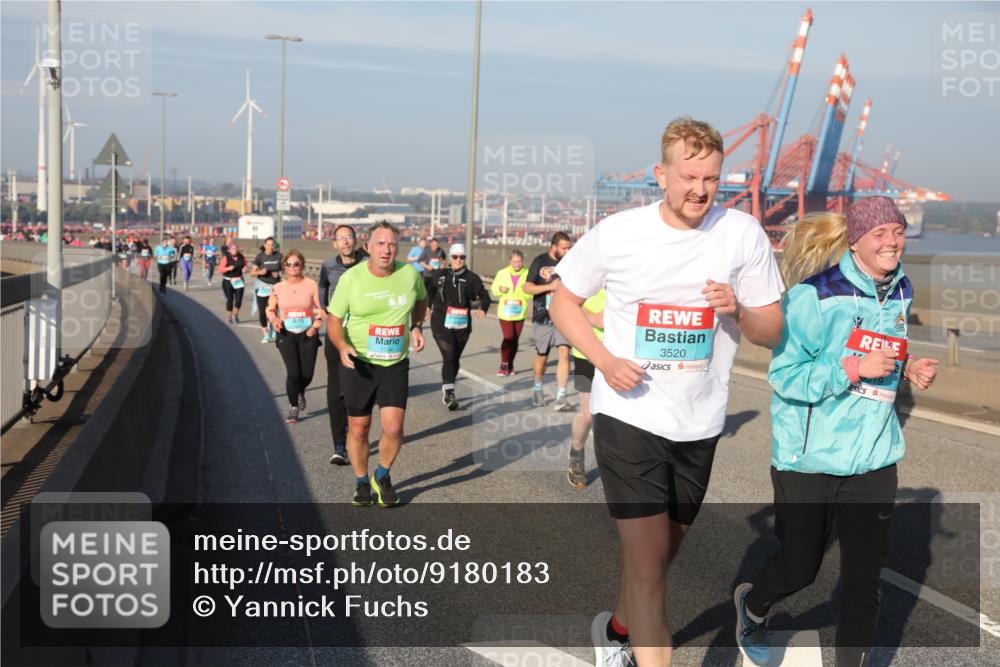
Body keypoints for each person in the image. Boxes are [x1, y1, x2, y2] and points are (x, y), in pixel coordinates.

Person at [549, 116, 785, 667]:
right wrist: (605, 361)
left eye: (712, 179)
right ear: (661, 174)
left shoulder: (742, 233)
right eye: (688, 177)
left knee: (658, 558)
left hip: (699, 422)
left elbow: (773, 330)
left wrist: (739, 309)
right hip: (627, 415)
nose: (700, 190)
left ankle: (616, 631)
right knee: (650, 564)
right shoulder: (619, 233)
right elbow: (563, 301)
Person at [734, 199, 939, 667]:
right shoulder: (813, 296)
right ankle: (753, 606)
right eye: (880, 233)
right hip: (809, 456)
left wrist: (907, 367)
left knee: (863, 581)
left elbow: (882, 345)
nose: (892, 241)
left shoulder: (901, 289)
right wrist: (853, 369)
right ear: (856, 240)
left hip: (873, 456)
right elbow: (785, 376)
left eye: (898, 231)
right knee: (799, 567)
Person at [327, 222, 427, 508]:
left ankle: (381, 476)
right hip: (359, 362)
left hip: (394, 363)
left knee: (393, 427)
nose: (386, 249)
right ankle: (361, 480)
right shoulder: (352, 278)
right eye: (380, 243)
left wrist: (417, 326)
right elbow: (334, 320)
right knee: (359, 428)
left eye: (392, 244)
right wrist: (342, 346)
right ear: (368, 247)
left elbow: (422, 300)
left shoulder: (410, 274)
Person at [318, 224, 369, 465]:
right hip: (337, 333)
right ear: (335, 244)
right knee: (336, 389)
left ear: (356, 241)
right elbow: (322, 287)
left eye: (349, 237)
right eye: (341, 238)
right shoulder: (328, 265)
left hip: (363, 336)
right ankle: (339, 444)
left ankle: (356, 434)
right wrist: (326, 312)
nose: (346, 241)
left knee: (359, 389)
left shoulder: (368, 263)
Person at [430, 243, 490, 410]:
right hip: (441, 321)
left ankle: (449, 386)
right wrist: (427, 306)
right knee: (449, 356)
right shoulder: (440, 275)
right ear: (450, 258)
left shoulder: (472, 278)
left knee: (454, 358)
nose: (458, 260)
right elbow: (430, 290)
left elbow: (485, 296)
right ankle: (449, 392)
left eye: (462, 257)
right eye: (455, 257)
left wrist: (483, 308)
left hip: (462, 325)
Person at [266, 250, 324, 424]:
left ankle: (299, 392)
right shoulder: (278, 287)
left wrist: (315, 327)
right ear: (284, 266)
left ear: (302, 266)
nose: (292, 267)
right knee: (293, 373)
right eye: (288, 264)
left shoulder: (311, 285)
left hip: (308, 333)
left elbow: (321, 310)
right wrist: (274, 320)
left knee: (307, 374)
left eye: (296, 264)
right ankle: (293, 406)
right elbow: (270, 309)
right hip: (286, 334)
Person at [524, 232, 574, 410]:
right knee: (542, 357)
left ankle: (561, 396)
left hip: (564, 317)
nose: (568, 251)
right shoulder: (539, 261)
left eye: (569, 248)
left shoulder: (571, 263)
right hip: (543, 317)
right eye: (564, 248)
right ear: (554, 247)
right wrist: (550, 287)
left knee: (564, 353)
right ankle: (537, 388)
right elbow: (527, 287)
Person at [567, 288, 604, 489]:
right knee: (588, 415)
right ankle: (577, 454)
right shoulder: (589, 282)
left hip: (620, 356)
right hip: (586, 354)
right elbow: (566, 304)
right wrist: (592, 317)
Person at [491, 250, 531, 376]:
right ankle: (504, 364)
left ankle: (511, 365)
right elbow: (494, 289)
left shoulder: (527, 273)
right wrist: (500, 289)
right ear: (510, 261)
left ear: (522, 261)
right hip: (505, 312)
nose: (517, 264)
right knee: (508, 337)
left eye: (519, 262)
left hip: (519, 311)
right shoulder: (502, 273)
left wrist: (526, 291)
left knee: (515, 339)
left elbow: (531, 294)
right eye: (514, 262)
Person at [251, 237, 283, 343]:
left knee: (272, 310)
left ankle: (273, 329)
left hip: (275, 287)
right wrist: (260, 272)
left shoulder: (279, 256)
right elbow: (252, 273)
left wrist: (279, 273)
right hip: (262, 286)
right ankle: (265, 333)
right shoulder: (260, 257)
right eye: (268, 245)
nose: (270, 247)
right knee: (262, 311)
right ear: (265, 245)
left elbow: (285, 270)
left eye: (272, 245)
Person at [218, 242, 247, 323]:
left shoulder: (241, 257)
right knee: (230, 299)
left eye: (236, 248)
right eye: (233, 249)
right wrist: (227, 268)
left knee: (239, 299)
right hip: (228, 281)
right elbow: (220, 269)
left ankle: (235, 314)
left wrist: (244, 268)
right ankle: (229, 316)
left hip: (239, 280)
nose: (235, 250)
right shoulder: (226, 257)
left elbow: (245, 264)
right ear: (229, 250)